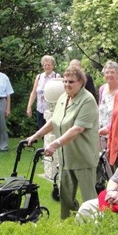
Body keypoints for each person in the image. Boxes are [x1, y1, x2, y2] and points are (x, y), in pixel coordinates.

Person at [25, 66, 99, 219]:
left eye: (71, 82)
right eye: (65, 81)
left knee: (89, 198)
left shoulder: (87, 100)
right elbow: (54, 120)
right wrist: (36, 135)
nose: (67, 85)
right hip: (66, 157)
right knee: (66, 197)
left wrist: (54, 144)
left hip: (83, 157)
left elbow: (78, 128)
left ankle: (94, 227)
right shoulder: (63, 98)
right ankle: (67, 226)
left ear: (81, 82)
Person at [26, 55, 60, 129]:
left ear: (53, 66)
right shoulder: (39, 77)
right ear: (43, 66)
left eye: (49, 65)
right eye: (45, 65)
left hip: (51, 110)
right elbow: (34, 92)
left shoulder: (56, 76)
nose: (47, 67)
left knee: (51, 132)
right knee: (41, 131)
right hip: (40, 109)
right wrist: (29, 106)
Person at [97, 61, 118, 150]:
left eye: (112, 72)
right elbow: (100, 108)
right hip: (101, 132)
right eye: (107, 72)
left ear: (117, 74)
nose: (109, 75)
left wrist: (109, 127)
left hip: (116, 131)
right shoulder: (102, 89)